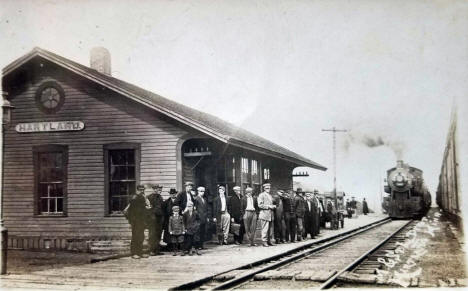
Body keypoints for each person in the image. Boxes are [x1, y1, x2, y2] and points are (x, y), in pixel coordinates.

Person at [126, 185, 151, 259]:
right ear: (137, 190)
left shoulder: (142, 197)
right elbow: (132, 211)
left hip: (141, 221)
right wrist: (131, 222)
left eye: (143, 189)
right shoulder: (134, 198)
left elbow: (143, 208)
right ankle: (134, 253)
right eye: (140, 190)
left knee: (141, 237)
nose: (142, 191)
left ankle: (139, 253)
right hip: (135, 221)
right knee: (135, 237)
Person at [146, 184, 165, 256]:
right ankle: (151, 250)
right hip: (152, 219)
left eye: (160, 189)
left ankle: (157, 250)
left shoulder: (160, 197)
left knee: (158, 234)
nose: (159, 190)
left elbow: (161, 208)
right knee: (152, 234)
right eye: (157, 189)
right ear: (154, 189)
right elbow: (147, 208)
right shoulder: (149, 197)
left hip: (159, 219)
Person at [258, 183, 276, 247]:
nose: (268, 189)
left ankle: (269, 241)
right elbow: (260, 205)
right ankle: (264, 241)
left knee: (270, 229)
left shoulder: (270, 196)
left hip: (270, 214)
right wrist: (269, 206)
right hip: (264, 214)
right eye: (266, 188)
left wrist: (273, 206)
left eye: (269, 188)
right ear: (264, 188)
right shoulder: (261, 195)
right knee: (265, 229)